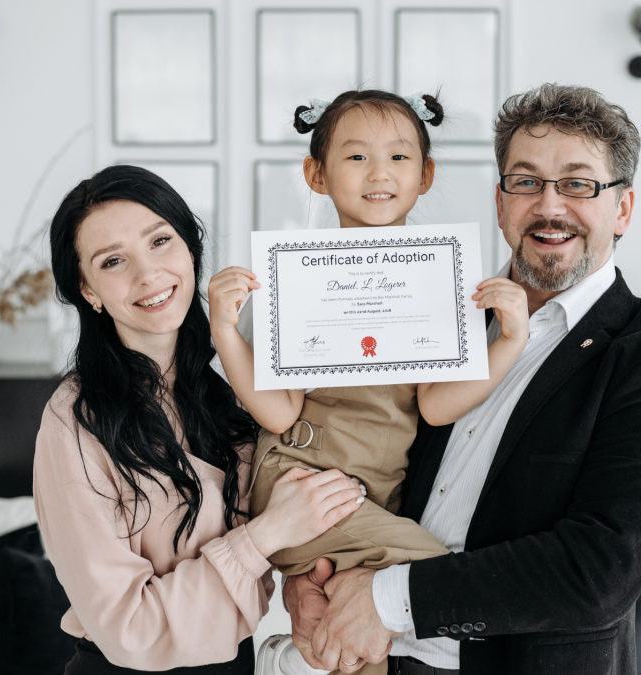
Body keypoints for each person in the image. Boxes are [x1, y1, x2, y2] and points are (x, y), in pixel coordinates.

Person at [282, 84, 641, 675]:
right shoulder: (426, 312)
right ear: (500, 201)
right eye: (526, 181)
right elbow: (353, 445)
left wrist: (384, 601)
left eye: (578, 184)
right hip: (375, 659)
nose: (549, 205)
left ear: (622, 209)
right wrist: (308, 579)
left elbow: (597, 574)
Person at [206, 90, 530, 675]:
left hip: (374, 496)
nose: (380, 173)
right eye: (356, 158)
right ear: (316, 173)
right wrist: (226, 332)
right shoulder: (295, 279)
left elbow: (435, 407)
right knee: (439, 578)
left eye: (400, 158)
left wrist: (508, 340)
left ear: (426, 175)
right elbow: (278, 414)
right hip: (300, 486)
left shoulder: (442, 283)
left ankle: (294, 662)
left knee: (368, 649)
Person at [33, 165, 368, 674]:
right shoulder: (75, 420)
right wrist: (264, 536)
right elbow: (131, 629)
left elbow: (283, 518)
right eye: (114, 261)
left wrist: (302, 581)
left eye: (161, 241)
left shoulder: (237, 385)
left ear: (191, 246)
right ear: (88, 289)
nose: (148, 275)